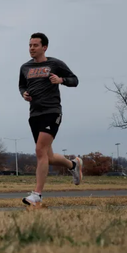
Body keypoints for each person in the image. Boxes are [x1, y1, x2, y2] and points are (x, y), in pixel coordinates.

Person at [18, 32, 83, 206]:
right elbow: (22, 85)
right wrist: (23, 93)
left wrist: (60, 80)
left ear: (44, 47)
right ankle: (73, 165)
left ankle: (37, 194)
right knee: (48, 156)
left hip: (51, 111)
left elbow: (75, 80)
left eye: (35, 45)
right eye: (30, 45)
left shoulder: (55, 64)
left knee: (40, 151)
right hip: (34, 114)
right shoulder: (25, 67)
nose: (32, 48)